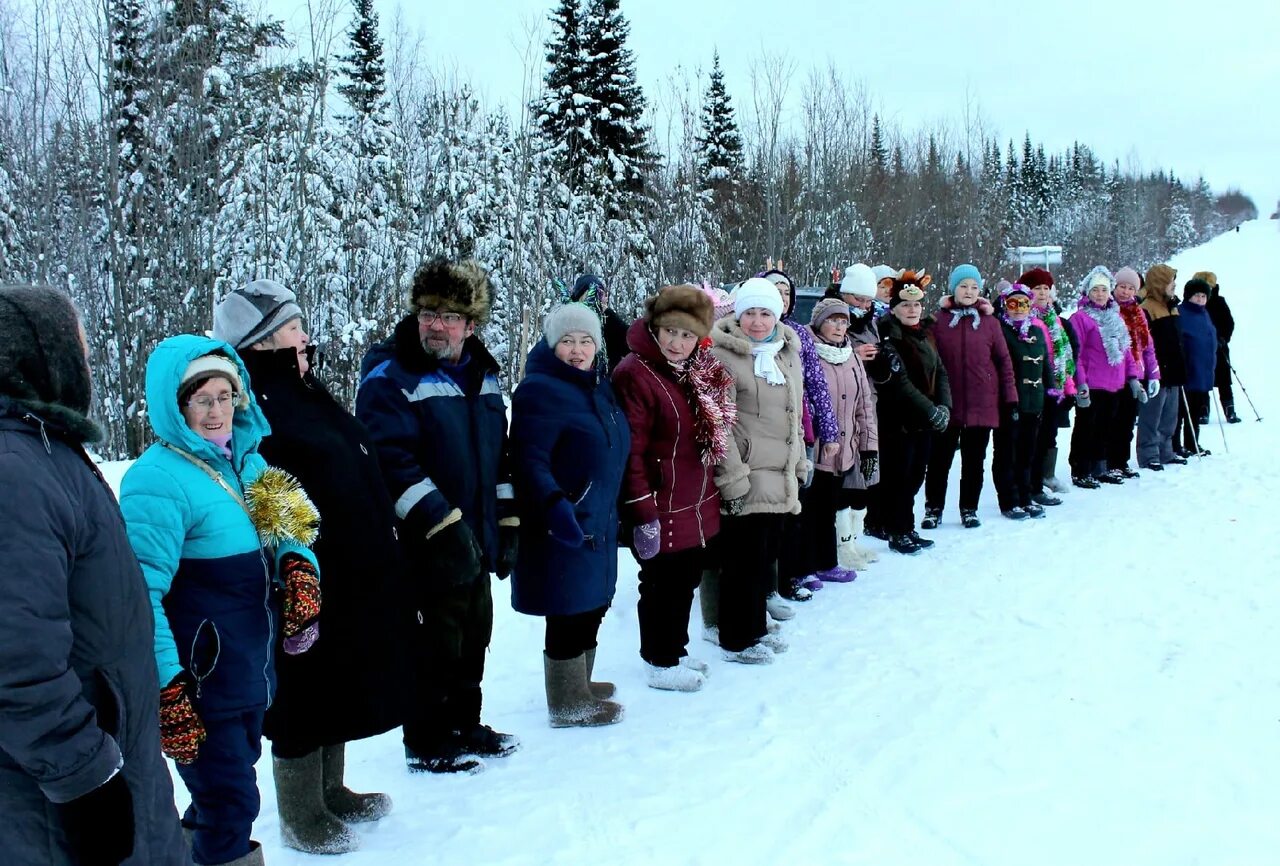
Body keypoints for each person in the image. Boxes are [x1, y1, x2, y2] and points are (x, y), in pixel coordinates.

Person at [0, 286, 189, 866]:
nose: (85, 361)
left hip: (111, 757)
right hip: (58, 798)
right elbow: (15, 653)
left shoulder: (44, 452)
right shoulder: (15, 471)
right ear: (41, 356)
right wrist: (84, 777)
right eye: (75, 346)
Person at [213, 280, 404, 853]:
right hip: (301, 570)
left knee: (337, 673)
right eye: (294, 328)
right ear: (264, 340)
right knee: (302, 687)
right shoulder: (255, 404)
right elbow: (263, 487)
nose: (305, 336)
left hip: (345, 563)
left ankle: (331, 789)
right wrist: (293, 565)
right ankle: (300, 814)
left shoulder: (300, 384)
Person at [121, 335, 322, 866]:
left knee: (222, 795)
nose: (216, 411)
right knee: (231, 802)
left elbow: (296, 526)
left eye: (225, 396)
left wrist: (300, 568)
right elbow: (140, 596)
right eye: (201, 399)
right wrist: (167, 687)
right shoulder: (156, 480)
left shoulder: (250, 465)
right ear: (175, 405)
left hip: (249, 671)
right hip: (200, 682)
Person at [356, 258, 519, 774]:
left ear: (471, 325)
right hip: (428, 543)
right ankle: (425, 740)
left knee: (475, 636)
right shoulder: (391, 377)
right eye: (428, 312)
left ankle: (464, 724)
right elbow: (389, 462)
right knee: (434, 643)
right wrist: (441, 524)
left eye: (449, 315)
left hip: (477, 536)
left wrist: (508, 523)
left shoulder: (484, 375)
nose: (436, 325)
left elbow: (500, 456)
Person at [508, 303, 630, 722]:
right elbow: (528, 459)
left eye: (585, 341)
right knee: (567, 608)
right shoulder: (539, 390)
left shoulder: (597, 387)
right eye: (567, 341)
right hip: (563, 520)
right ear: (551, 344)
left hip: (599, 516)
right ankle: (567, 702)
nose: (577, 350)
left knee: (592, 603)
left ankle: (581, 681)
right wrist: (554, 504)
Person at [612, 285, 733, 692]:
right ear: (655, 327)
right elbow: (632, 452)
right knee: (662, 584)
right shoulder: (635, 374)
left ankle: (675, 650)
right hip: (660, 503)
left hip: (693, 501)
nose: (677, 342)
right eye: (670, 332)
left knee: (685, 581)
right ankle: (659, 661)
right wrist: (641, 509)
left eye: (686, 335)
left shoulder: (694, 370)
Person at [708, 277, 807, 663]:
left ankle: (755, 629)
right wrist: (733, 477)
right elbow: (718, 424)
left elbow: (795, 416)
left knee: (762, 559)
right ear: (738, 313)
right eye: (750, 312)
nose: (758, 321)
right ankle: (736, 639)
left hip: (778, 475)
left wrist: (798, 461)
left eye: (766, 313)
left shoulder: (786, 353)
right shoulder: (723, 357)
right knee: (740, 563)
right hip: (746, 475)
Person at [790, 297, 878, 585]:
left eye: (843, 322)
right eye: (832, 320)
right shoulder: (805, 351)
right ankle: (805, 567)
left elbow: (864, 403)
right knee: (809, 510)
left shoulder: (850, 355)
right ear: (819, 322)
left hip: (844, 449)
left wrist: (868, 447)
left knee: (829, 507)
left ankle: (827, 562)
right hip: (815, 449)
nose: (839, 327)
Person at [922, 264, 1017, 529]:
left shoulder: (990, 323)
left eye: (974, 287)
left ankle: (969, 508)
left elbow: (1003, 361)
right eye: (964, 286)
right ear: (953, 288)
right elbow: (928, 362)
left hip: (982, 403)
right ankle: (933, 509)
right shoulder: (937, 321)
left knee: (974, 462)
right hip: (947, 404)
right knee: (939, 461)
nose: (969, 291)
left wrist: (1010, 398)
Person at [875, 273, 951, 555]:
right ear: (894, 308)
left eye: (917, 304)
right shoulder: (888, 336)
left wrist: (944, 406)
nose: (912, 310)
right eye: (906, 305)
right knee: (900, 478)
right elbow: (901, 383)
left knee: (917, 475)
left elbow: (940, 371)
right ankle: (898, 529)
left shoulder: (926, 334)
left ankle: (906, 527)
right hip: (899, 420)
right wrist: (931, 410)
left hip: (925, 420)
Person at [829, 263, 899, 567]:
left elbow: (879, 370)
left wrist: (882, 360)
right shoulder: (829, 317)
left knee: (864, 476)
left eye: (868, 301)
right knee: (844, 478)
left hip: (866, 405)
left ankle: (853, 541)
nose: (864, 306)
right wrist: (853, 356)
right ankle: (840, 545)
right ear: (845, 294)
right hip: (839, 409)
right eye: (858, 300)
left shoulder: (871, 321)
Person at [1066, 267, 1143, 488]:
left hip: (1114, 383)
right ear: (1087, 292)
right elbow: (1075, 354)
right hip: (1092, 383)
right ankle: (1081, 468)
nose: (1100, 294)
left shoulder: (1115, 316)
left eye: (1104, 290)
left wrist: (1133, 377)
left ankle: (1100, 466)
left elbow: (1126, 350)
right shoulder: (1080, 318)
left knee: (1105, 427)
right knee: (1086, 427)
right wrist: (1080, 382)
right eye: (1095, 290)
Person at [992, 283, 1051, 519]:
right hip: (1008, 401)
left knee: (1028, 451)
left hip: (1033, 401)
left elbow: (1045, 363)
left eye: (1023, 304)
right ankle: (1009, 500)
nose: (1018, 309)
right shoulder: (1000, 330)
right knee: (1007, 452)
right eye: (1013, 304)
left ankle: (1026, 495)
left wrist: (1051, 390)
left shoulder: (1036, 331)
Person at [1021, 267, 1077, 504]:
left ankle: (1041, 480)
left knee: (1047, 437)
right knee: (1031, 440)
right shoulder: (1023, 318)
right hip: (1033, 388)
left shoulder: (1055, 319)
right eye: (1037, 288)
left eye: (1046, 288)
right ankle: (1030, 487)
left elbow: (1065, 356)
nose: (1042, 293)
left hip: (1055, 387)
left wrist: (1069, 388)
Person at [1109, 267, 1161, 476]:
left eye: (1131, 288)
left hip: (1136, 374)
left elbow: (1147, 346)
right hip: (1115, 373)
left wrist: (1153, 374)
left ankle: (1121, 460)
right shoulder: (1110, 309)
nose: (1126, 292)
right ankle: (1109, 461)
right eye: (1122, 287)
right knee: (1113, 420)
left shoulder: (1139, 312)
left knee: (1127, 421)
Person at [1137, 264, 1189, 470]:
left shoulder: (1172, 306)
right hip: (1157, 371)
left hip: (1174, 369)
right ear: (1159, 284)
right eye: (1170, 281)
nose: (1174, 285)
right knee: (1152, 415)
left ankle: (1166, 451)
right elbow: (1144, 343)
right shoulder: (1147, 308)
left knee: (1170, 416)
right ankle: (1148, 454)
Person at [1177, 278, 1219, 456]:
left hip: (1203, 369)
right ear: (1188, 296)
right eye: (1197, 296)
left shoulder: (1204, 313)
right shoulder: (1181, 312)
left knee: (1195, 409)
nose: (1200, 299)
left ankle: (1193, 441)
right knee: (1180, 410)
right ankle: (1175, 444)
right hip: (1188, 368)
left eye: (1203, 296)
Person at [1196, 271, 1240, 423]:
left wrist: (1223, 338)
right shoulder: (1193, 303)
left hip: (1219, 347)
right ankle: (1203, 411)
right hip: (1199, 348)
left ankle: (1230, 411)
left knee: (1223, 379)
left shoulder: (1219, 301)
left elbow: (1229, 322)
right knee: (1201, 379)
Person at [567, 274, 631, 375]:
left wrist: (610, 315)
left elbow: (631, 345)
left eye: (602, 294)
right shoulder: (570, 325)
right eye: (594, 296)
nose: (600, 300)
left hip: (608, 384)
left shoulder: (609, 322)